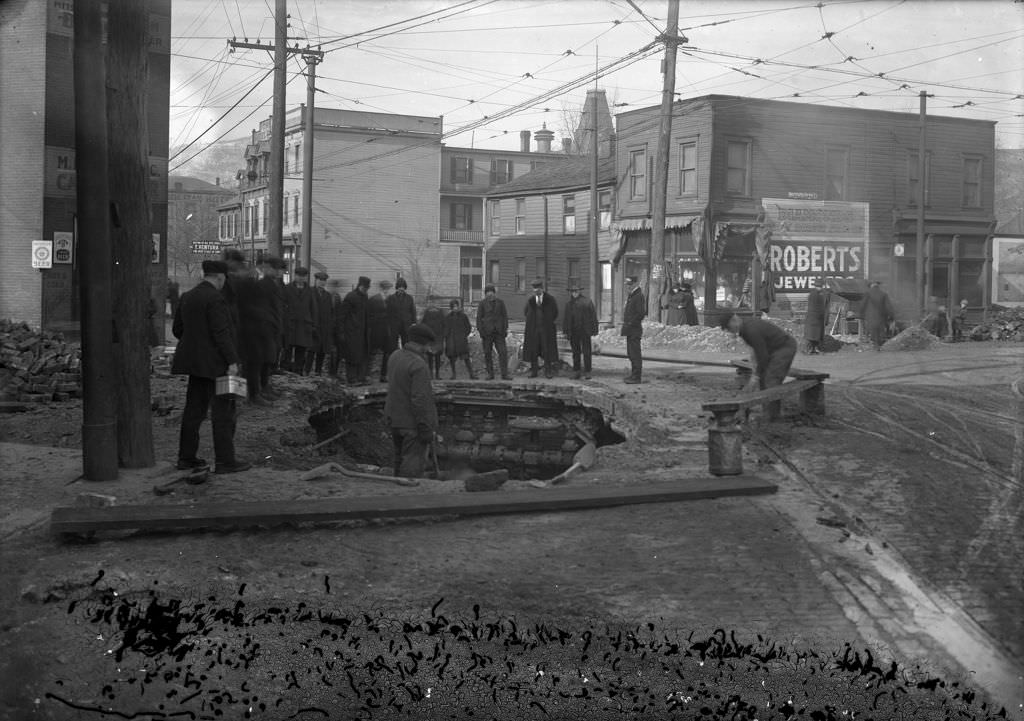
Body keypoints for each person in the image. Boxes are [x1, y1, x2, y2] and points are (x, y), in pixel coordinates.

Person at [171, 260, 250, 475]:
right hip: (217, 365)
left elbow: (177, 329)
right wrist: (232, 361)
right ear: (220, 277)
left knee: (193, 411)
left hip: (194, 365)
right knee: (223, 412)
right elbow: (221, 333)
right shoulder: (216, 298)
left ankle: (186, 458)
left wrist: (197, 342)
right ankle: (225, 461)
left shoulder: (188, 296)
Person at [384, 323, 440, 477]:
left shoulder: (395, 356)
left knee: (398, 461)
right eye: (428, 345)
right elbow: (420, 400)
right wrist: (425, 428)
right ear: (423, 343)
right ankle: (407, 489)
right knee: (412, 465)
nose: (428, 349)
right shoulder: (418, 364)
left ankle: (396, 488)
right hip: (412, 425)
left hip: (394, 420)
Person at [235, 255, 282, 405]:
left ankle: (251, 393)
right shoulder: (247, 284)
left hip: (256, 328)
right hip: (248, 329)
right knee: (245, 364)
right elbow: (248, 307)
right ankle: (243, 395)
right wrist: (265, 319)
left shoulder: (250, 283)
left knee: (255, 362)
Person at [719, 311, 797, 392]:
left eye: (728, 327)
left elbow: (762, 355)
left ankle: (771, 398)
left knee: (771, 379)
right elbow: (755, 349)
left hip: (784, 347)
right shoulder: (744, 328)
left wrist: (756, 376)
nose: (729, 330)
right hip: (774, 348)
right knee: (763, 377)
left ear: (734, 320)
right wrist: (756, 370)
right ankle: (764, 397)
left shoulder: (750, 330)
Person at [282, 266, 317, 374]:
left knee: (301, 350)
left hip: (304, 325)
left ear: (306, 277)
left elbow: (313, 308)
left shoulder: (310, 291)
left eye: (303, 276)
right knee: (287, 349)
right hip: (290, 324)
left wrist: (313, 324)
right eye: (298, 275)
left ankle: (298, 370)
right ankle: (285, 370)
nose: (301, 278)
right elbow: (282, 305)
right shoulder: (287, 288)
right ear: (295, 275)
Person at [338, 276, 372, 384]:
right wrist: (341, 332)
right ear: (360, 286)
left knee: (362, 355)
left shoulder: (365, 297)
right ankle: (352, 378)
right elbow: (342, 315)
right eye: (365, 287)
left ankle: (361, 377)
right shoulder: (351, 297)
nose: (366, 289)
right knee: (352, 355)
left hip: (363, 332)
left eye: (367, 288)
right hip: (352, 332)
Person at [523, 279, 559, 378]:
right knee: (534, 350)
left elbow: (555, 313)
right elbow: (526, 312)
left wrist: (547, 322)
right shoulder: (530, 300)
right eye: (534, 290)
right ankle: (534, 371)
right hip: (534, 330)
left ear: (542, 289)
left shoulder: (550, 299)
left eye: (538, 289)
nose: (536, 291)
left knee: (547, 350)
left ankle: (548, 371)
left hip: (546, 330)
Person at [562, 283, 598, 380]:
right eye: (572, 291)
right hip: (573, 332)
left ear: (580, 291)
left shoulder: (587, 302)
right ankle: (576, 371)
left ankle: (587, 371)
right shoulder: (569, 304)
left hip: (585, 331)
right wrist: (566, 331)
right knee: (575, 352)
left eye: (576, 291)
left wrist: (594, 330)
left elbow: (593, 317)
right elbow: (566, 319)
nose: (574, 293)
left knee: (587, 351)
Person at [476, 284, 510, 380]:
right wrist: (481, 331)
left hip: (499, 332)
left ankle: (504, 374)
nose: (490, 294)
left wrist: (505, 329)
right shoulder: (482, 304)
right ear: (485, 294)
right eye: (487, 292)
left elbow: (504, 316)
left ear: (494, 293)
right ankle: (490, 374)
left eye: (491, 292)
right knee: (487, 353)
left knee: (503, 352)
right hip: (487, 333)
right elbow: (479, 318)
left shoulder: (500, 303)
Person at [367, 280, 395, 383]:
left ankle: (384, 375)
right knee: (372, 352)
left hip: (388, 331)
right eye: (384, 289)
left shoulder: (392, 299)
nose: (386, 291)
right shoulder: (373, 299)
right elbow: (369, 315)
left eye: (388, 289)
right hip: (376, 330)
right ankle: (368, 375)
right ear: (381, 288)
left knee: (387, 353)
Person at [621, 275, 646, 384]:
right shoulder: (632, 295)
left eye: (630, 284)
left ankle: (636, 377)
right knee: (631, 353)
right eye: (627, 285)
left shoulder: (638, 296)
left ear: (636, 284)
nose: (628, 287)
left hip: (634, 329)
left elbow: (640, 313)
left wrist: (631, 323)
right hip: (630, 329)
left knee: (635, 354)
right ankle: (633, 375)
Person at [309, 271, 335, 375]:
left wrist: (329, 327)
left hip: (324, 328)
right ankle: (306, 371)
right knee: (311, 351)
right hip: (313, 326)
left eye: (324, 280)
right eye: (320, 280)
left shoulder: (327, 295)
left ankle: (318, 372)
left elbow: (330, 312)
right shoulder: (310, 292)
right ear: (315, 280)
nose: (322, 282)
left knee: (321, 350)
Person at [443, 298, 476, 380]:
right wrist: (447, 337)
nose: (455, 308)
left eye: (456, 306)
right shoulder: (448, 317)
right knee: (452, 358)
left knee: (466, 357)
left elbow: (468, 327)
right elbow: (445, 329)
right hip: (451, 341)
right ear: (451, 308)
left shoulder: (463, 316)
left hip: (461, 341)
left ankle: (471, 374)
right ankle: (453, 374)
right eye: (453, 306)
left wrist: (464, 335)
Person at [859, 280, 894, 351]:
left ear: (870, 285)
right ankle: (879, 345)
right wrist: (891, 316)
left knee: (873, 331)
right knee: (880, 331)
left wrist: (861, 315)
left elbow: (863, 305)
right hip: (881, 316)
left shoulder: (867, 293)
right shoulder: (884, 294)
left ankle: (876, 345)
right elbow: (888, 306)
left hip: (870, 316)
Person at [387, 278, 417, 349]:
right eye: (399, 287)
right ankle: (394, 354)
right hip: (394, 324)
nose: (401, 289)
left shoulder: (409, 298)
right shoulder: (391, 298)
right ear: (397, 288)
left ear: (405, 288)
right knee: (393, 342)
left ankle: (406, 355)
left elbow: (413, 310)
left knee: (406, 342)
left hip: (406, 324)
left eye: (403, 287)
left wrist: (414, 322)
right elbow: (388, 312)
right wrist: (389, 323)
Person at [803, 279, 830, 354]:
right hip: (815, 318)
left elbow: (824, 306)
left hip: (815, 318)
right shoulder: (818, 294)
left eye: (819, 286)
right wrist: (825, 318)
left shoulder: (816, 294)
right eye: (818, 286)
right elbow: (823, 307)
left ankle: (813, 349)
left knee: (813, 335)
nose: (819, 288)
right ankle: (812, 349)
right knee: (814, 335)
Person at [420, 301, 446, 380]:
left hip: (438, 338)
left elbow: (444, 325)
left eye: (435, 303)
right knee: (430, 356)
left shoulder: (441, 314)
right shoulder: (427, 313)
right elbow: (423, 325)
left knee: (437, 357)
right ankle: (431, 374)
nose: (434, 305)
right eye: (432, 303)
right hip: (429, 338)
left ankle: (437, 374)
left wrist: (442, 336)